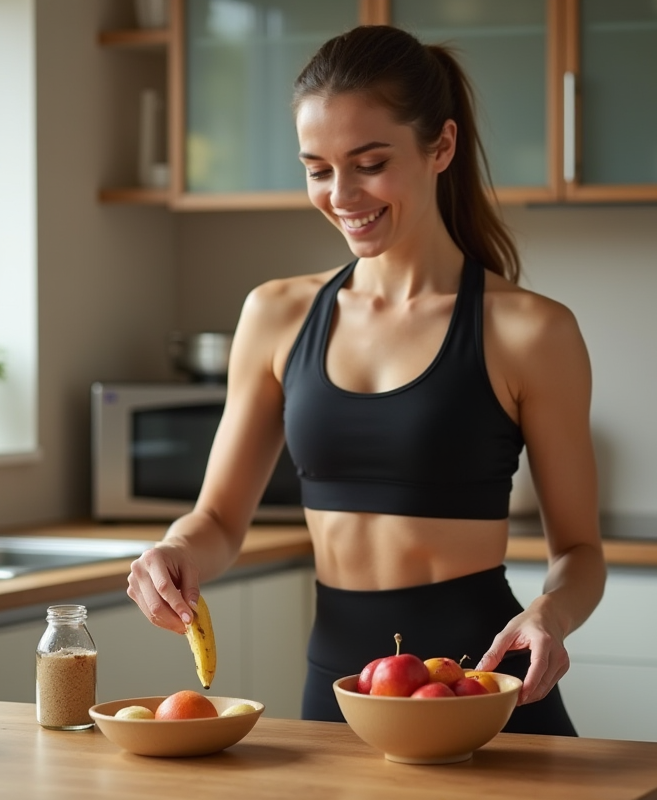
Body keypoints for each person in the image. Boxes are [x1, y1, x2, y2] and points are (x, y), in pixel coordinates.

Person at [126, 24, 605, 736]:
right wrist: (172, 550)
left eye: (369, 163)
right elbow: (219, 521)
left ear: (440, 146)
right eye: (318, 168)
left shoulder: (532, 331)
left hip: (480, 691)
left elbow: (579, 552)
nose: (341, 194)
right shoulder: (276, 314)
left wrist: (550, 613)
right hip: (338, 694)